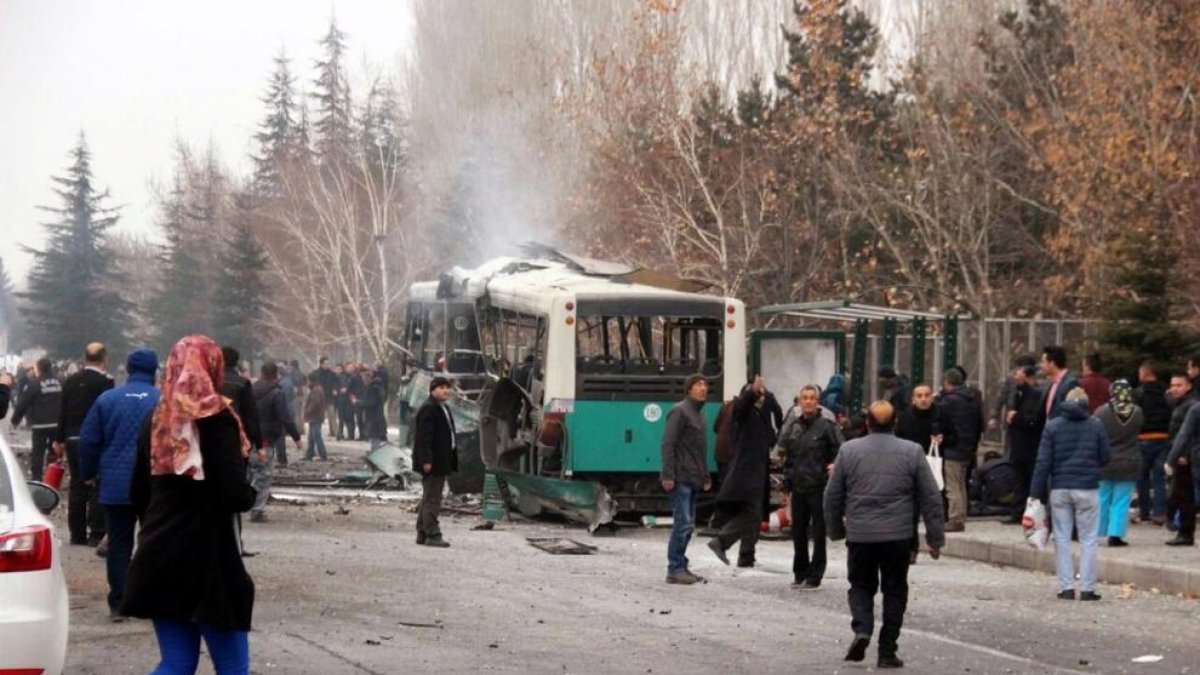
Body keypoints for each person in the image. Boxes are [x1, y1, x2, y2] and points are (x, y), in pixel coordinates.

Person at [121, 335, 257, 674]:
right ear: (213, 368)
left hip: (159, 553)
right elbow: (231, 493)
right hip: (208, 558)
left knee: (176, 664)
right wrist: (249, 494)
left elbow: (138, 491)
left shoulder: (156, 420)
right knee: (233, 667)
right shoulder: (218, 419)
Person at [825, 400, 944, 668]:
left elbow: (832, 495)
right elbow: (931, 498)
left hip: (861, 535)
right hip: (898, 536)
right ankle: (887, 650)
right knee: (895, 590)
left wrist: (835, 529)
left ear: (867, 423)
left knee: (860, 585)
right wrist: (935, 539)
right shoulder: (912, 452)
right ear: (896, 423)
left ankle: (863, 627)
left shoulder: (848, 451)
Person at [77, 348, 160, 622]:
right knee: (152, 541)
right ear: (155, 370)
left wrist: (88, 473)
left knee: (119, 543)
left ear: (126, 368)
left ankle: (119, 602)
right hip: (154, 484)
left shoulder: (107, 399)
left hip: (115, 482)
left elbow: (89, 440)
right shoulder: (164, 400)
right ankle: (149, 598)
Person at [1030, 387, 1110, 600]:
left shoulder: (1053, 426)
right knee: (1088, 538)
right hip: (1087, 488)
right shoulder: (1096, 425)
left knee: (1062, 538)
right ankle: (1087, 588)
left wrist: (1035, 494)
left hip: (1060, 488)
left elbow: (1043, 462)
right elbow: (1105, 456)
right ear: (1085, 403)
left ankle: (1066, 587)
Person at [708, 375, 782, 569]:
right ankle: (722, 541)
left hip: (757, 471)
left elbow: (773, 425)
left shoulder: (760, 414)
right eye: (759, 394)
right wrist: (753, 391)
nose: (762, 396)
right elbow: (742, 406)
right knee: (752, 515)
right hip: (746, 473)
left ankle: (746, 556)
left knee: (754, 514)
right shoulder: (742, 412)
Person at [778, 384, 842, 589]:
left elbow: (841, 451)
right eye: (804, 398)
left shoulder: (827, 426)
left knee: (818, 532)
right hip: (798, 486)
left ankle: (815, 575)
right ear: (799, 401)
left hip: (819, 486)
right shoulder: (794, 426)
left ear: (817, 401)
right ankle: (800, 572)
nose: (808, 401)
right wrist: (786, 485)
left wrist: (834, 467)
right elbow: (788, 458)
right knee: (797, 531)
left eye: (812, 398)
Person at [54, 342, 115, 546]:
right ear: (104, 359)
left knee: (77, 485)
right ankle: (96, 532)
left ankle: (76, 533)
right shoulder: (105, 383)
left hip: (71, 438)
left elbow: (62, 410)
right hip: (96, 439)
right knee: (96, 483)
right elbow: (107, 413)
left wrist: (58, 438)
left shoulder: (71, 381)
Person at [659, 374, 712, 585]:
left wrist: (705, 475)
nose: (703, 388)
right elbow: (668, 443)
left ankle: (681, 564)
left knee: (688, 525)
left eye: (705, 384)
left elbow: (699, 450)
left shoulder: (700, 414)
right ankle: (674, 568)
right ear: (689, 389)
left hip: (692, 476)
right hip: (680, 476)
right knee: (683, 524)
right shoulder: (680, 411)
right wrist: (668, 473)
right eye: (698, 384)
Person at [897, 383, 953, 557]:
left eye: (926, 395)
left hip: (933, 467)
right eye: (919, 396)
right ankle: (911, 548)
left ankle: (934, 542)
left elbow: (955, 436)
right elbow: (898, 440)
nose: (923, 399)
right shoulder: (906, 417)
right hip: (911, 468)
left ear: (931, 397)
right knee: (911, 511)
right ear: (913, 399)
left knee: (934, 509)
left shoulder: (941, 415)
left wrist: (944, 439)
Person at [249, 362, 301, 522]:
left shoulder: (249, 390)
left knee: (250, 472)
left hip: (247, 437)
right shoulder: (276, 393)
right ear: (276, 374)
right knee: (263, 475)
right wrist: (296, 437)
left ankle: (245, 504)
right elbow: (285, 417)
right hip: (266, 439)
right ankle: (257, 510)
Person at [1094, 380, 1143, 547]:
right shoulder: (1137, 412)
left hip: (1106, 460)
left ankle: (1098, 530)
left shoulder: (1101, 412)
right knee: (1122, 499)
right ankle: (1115, 535)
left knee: (1102, 497)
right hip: (1129, 460)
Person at [412, 376, 458, 547]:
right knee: (433, 499)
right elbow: (424, 438)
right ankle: (433, 534)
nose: (445, 390)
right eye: (441, 387)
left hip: (441, 459)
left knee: (428, 497)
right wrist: (426, 460)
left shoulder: (442, 407)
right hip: (433, 462)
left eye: (447, 387)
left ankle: (422, 532)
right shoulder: (429, 409)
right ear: (432, 390)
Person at [936, 368, 983, 532]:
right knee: (961, 483)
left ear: (947, 382)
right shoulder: (972, 398)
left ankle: (955, 518)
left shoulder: (948, 401)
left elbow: (939, 418)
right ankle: (961, 514)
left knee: (952, 485)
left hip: (953, 448)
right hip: (968, 447)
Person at [11, 357, 63, 480]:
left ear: (38, 368)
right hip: (56, 424)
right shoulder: (60, 382)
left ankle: (37, 480)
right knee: (54, 452)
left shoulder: (35, 383)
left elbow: (23, 402)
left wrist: (15, 420)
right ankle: (52, 479)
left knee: (38, 454)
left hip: (40, 425)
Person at [1004, 361, 1043, 524]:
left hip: (1028, 446)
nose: (1016, 378)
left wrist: (1015, 418)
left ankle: (1029, 513)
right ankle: (1017, 512)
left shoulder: (1035, 395)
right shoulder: (1018, 393)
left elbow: (1033, 420)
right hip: (1019, 446)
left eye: (1020, 376)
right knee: (1019, 480)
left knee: (1028, 480)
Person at [1134, 362, 1173, 525]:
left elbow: (1134, 414)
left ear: (1145, 373)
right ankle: (1159, 512)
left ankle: (1144, 512)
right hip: (1163, 437)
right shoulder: (1167, 392)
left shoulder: (1138, 393)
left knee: (1141, 476)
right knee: (1159, 476)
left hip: (1143, 438)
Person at [1164, 374, 1199, 546]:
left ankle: (1185, 532)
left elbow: (1187, 434)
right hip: (1183, 455)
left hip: (1186, 457)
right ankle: (1183, 531)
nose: (1174, 388)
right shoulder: (1180, 405)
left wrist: (1181, 455)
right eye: (1173, 385)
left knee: (1183, 495)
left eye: (1179, 385)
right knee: (1181, 495)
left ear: (1188, 386)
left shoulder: (1191, 406)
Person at [1037, 345, 1080, 426]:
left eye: (1043, 362)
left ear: (1052, 364)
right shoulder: (1049, 383)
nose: (1041, 365)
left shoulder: (1070, 384)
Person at [303, 373, 328, 461]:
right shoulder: (316, 389)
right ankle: (310, 453)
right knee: (311, 436)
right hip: (315, 416)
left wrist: (308, 410)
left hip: (315, 416)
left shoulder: (316, 390)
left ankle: (323, 454)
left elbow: (315, 403)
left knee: (316, 435)